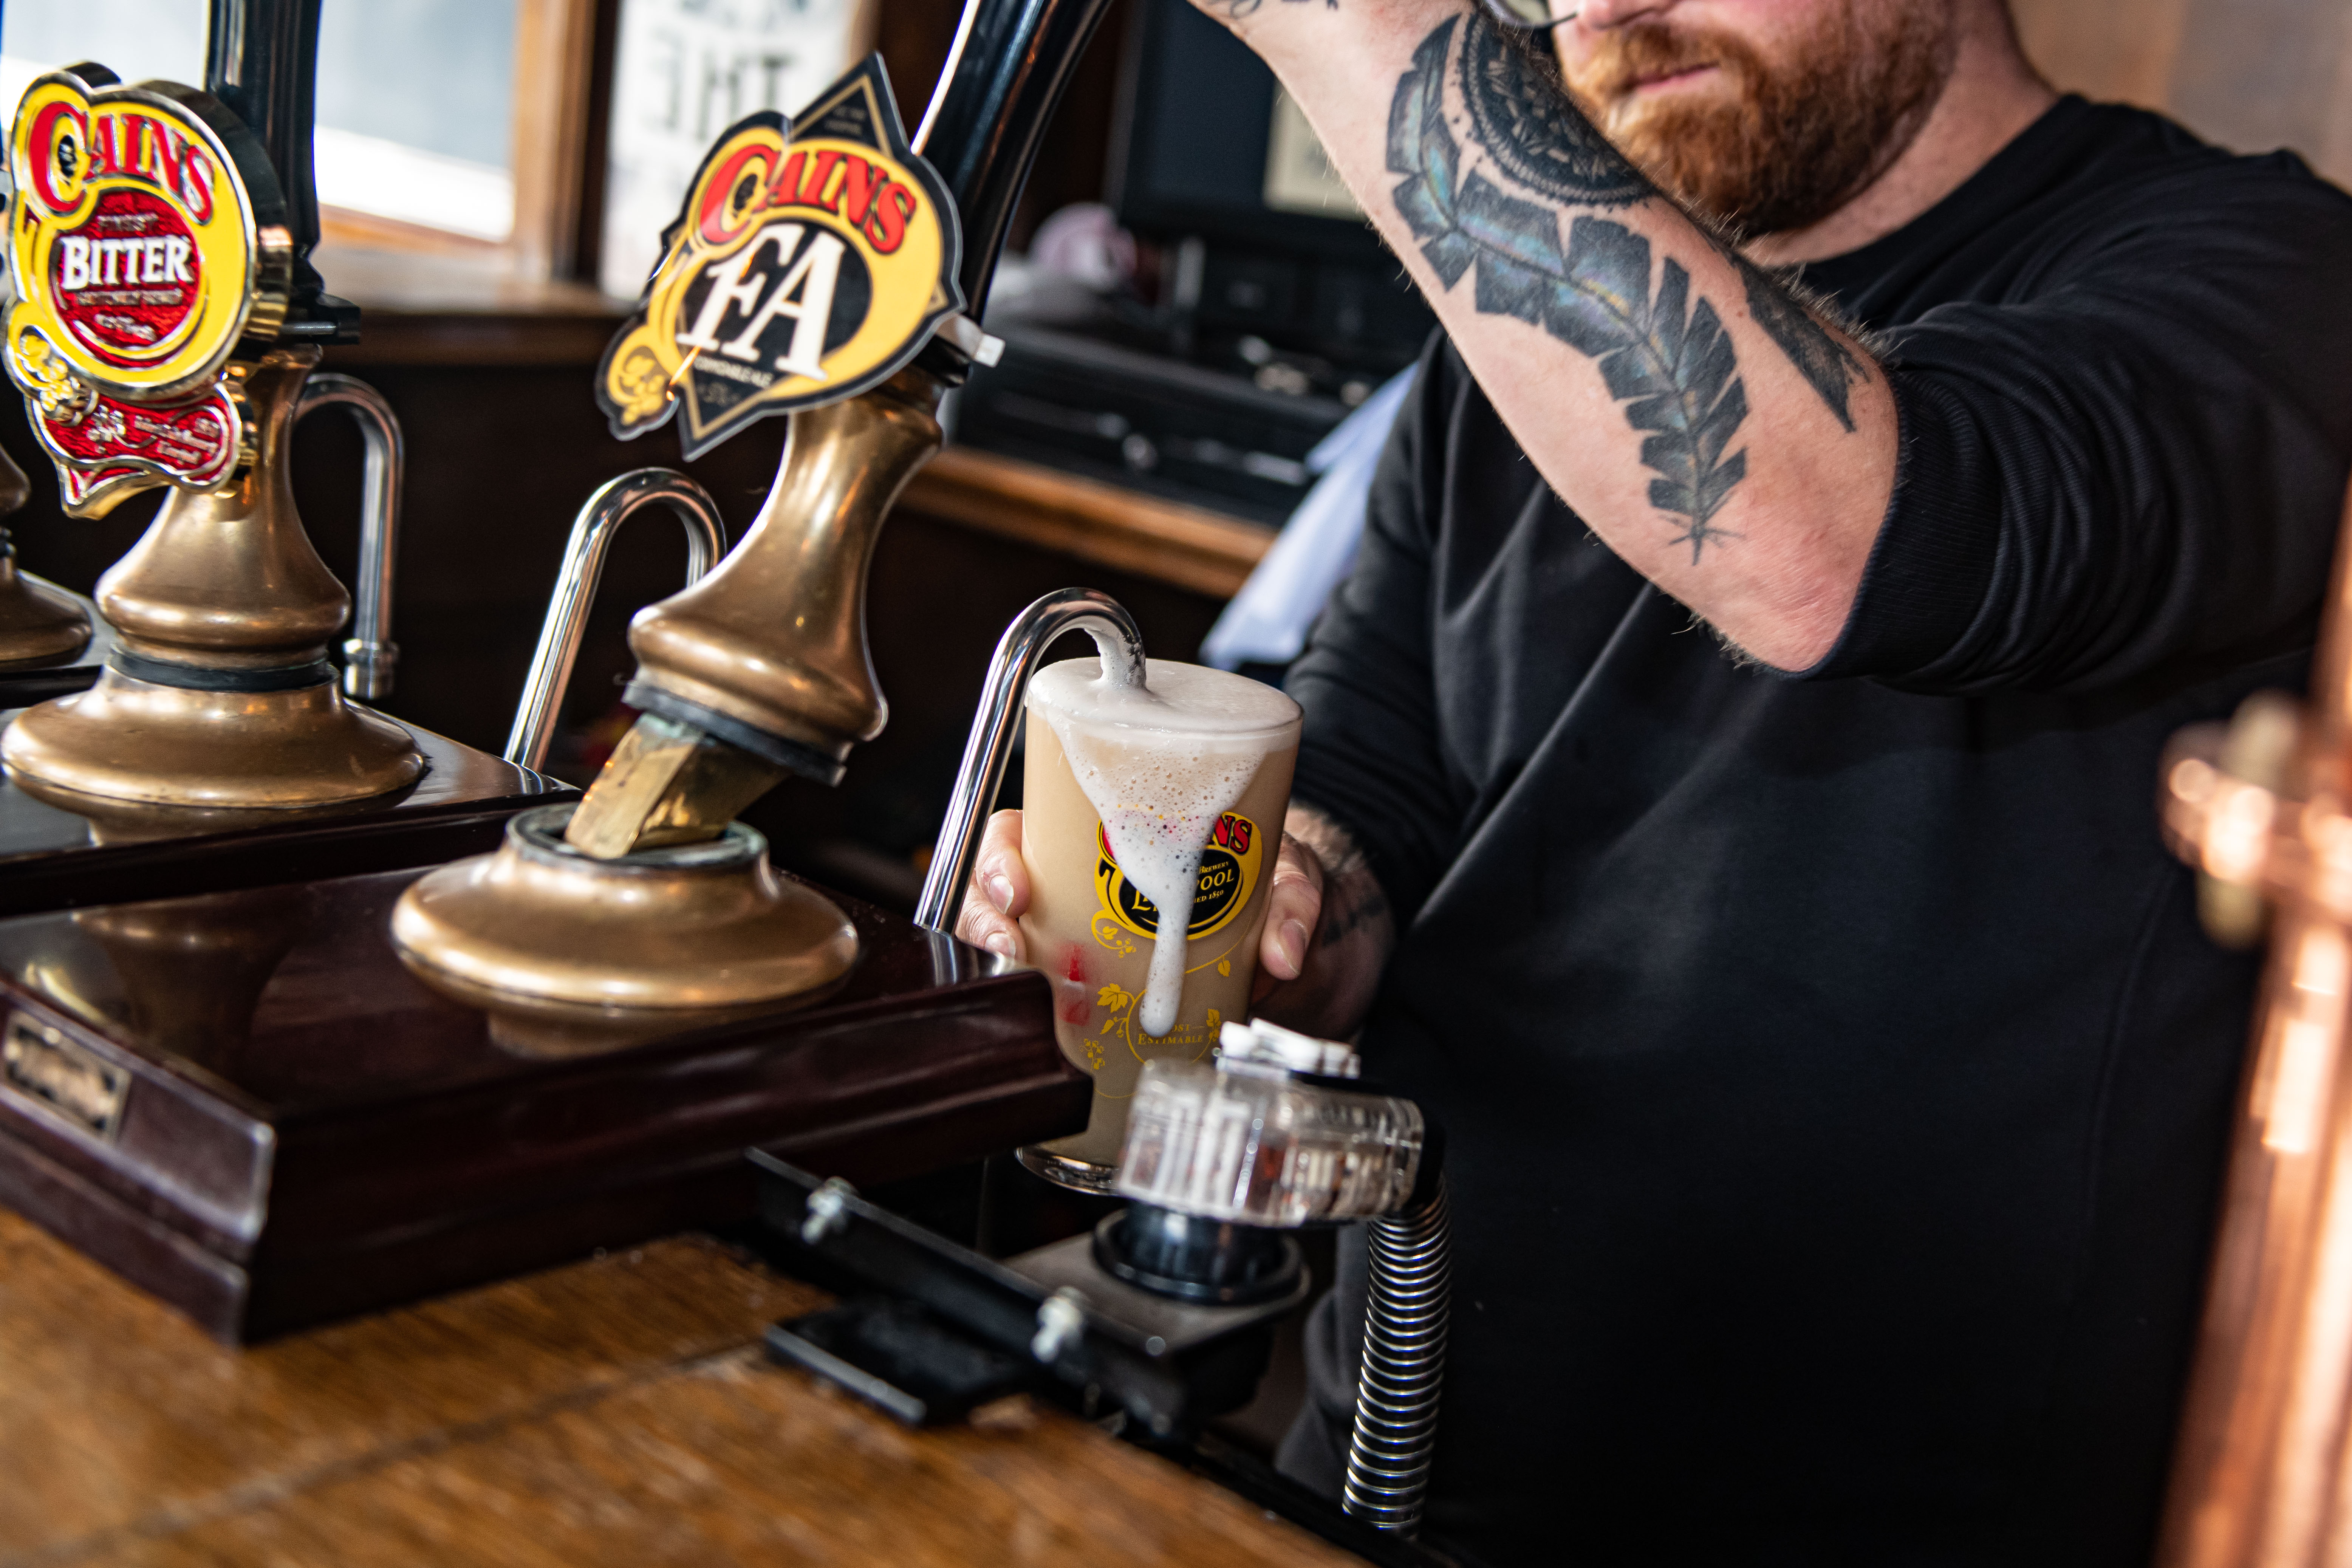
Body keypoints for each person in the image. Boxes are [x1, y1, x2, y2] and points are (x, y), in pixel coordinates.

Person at [959, 0, 2352, 1560]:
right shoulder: (1507, 339)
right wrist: (1259, 907)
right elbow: (1375, 791)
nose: (1600, 8)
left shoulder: (2269, 273)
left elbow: (1854, 548)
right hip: (1395, 1451)